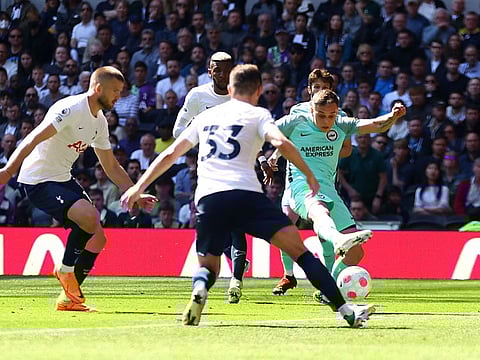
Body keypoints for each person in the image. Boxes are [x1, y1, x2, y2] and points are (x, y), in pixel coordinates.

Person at [120, 64, 374, 328]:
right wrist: (309, 174)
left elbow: (171, 154)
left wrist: (139, 186)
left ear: (229, 89)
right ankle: (346, 312)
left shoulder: (206, 117)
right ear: (258, 91)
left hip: (209, 197)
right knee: (301, 252)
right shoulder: (258, 114)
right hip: (246, 196)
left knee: (208, 265)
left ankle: (199, 290)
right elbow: (281, 143)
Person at [0, 66, 156, 312]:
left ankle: (67, 300)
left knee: (98, 238)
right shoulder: (70, 109)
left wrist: (134, 191)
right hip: (37, 179)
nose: (118, 96)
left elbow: (111, 166)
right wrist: (8, 171)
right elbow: (33, 138)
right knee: (89, 217)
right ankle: (64, 271)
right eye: (115, 91)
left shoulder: (100, 122)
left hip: (61, 177)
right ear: (98, 88)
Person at [269, 88, 405, 297]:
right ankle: (336, 239)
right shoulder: (295, 121)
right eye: (321, 115)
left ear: (337, 111)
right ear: (311, 109)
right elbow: (261, 131)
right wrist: (265, 158)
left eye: (331, 115)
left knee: (356, 252)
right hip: (301, 185)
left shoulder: (341, 124)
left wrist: (393, 116)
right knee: (318, 210)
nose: (326, 120)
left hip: (329, 189)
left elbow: (376, 125)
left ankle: (329, 287)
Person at [172, 52, 249, 304]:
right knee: (214, 228)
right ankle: (220, 269)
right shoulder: (197, 96)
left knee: (238, 226)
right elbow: (177, 131)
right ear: (209, 70)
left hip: (238, 169)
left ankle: (236, 281)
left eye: (227, 69)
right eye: (217, 69)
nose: (222, 74)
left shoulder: (241, 95)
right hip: (208, 171)